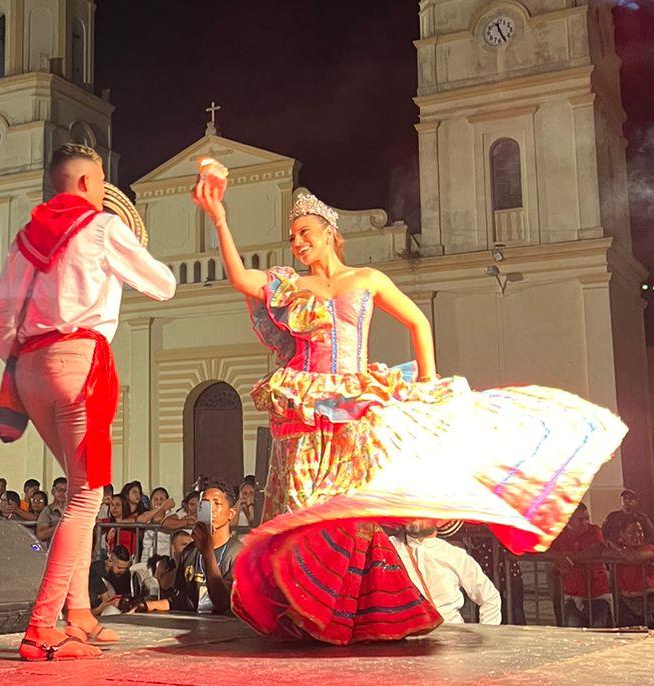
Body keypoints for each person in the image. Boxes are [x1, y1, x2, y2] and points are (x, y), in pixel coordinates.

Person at [192, 173, 627, 644]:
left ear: (330, 234)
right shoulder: (290, 287)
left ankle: (343, 616)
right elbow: (239, 277)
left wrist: (426, 383)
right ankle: (302, 613)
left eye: (305, 233)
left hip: (353, 408)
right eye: (292, 236)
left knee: (343, 516)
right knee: (297, 511)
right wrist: (219, 217)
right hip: (302, 410)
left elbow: (419, 321)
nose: (297, 243)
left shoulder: (367, 279)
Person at [0, 143, 176, 660]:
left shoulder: (25, 240)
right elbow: (164, 285)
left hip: (30, 372)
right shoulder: (102, 227)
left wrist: (32, 358)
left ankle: (80, 614)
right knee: (87, 497)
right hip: (79, 365)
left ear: (55, 185)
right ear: (92, 184)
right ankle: (42, 626)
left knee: (76, 497)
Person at [140, 486, 243, 615]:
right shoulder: (190, 551)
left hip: (227, 628)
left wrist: (207, 553)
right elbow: (183, 599)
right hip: (194, 626)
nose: (211, 509)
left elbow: (223, 602)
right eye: (205, 504)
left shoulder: (240, 554)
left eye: (216, 503)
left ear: (231, 514)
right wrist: (147, 605)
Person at [390, 520, 501, 625]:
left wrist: (487, 638)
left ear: (441, 521)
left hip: (451, 639)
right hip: (405, 640)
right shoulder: (388, 547)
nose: (416, 515)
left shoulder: (454, 555)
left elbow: (490, 598)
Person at [548, 504, 612, 628]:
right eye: (580, 519)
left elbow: (597, 549)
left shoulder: (594, 530)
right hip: (572, 594)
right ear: (568, 520)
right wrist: (556, 555)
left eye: (587, 518)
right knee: (573, 631)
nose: (585, 523)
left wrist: (570, 558)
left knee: (600, 630)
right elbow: (542, 549)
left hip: (598, 593)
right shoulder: (560, 535)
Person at [601, 515, 654, 629]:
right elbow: (602, 553)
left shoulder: (650, 548)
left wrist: (616, 547)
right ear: (621, 534)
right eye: (632, 532)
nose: (637, 535)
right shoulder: (620, 552)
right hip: (627, 603)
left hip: (652, 602)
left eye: (640, 531)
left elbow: (634, 557)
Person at [139, 487, 176, 561]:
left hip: (163, 558)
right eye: (155, 499)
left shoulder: (172, 515)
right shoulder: (148, 514)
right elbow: (141, 520)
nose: (158, 502)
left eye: (161, 499)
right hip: (146, 557)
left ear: (167, 501)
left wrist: (163, 508)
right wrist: (163, 507)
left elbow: (158, 519)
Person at [36, 478, 68, 544]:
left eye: (65, 490)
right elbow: (40, 535)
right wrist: (60, 526)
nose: (62, 493)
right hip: (54, 548)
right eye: (59, 490)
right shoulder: (48, 510)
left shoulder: (74, 509)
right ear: (53, 491)